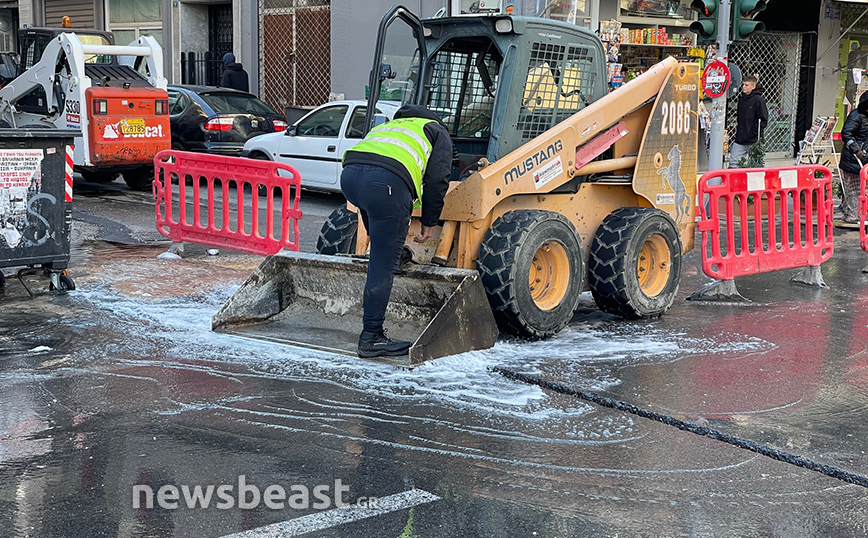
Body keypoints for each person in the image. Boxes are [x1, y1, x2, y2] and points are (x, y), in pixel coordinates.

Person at [340, 105, 454, 358]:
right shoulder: (436, 131)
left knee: (383, 243)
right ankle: (371, 338)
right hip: (387, 184)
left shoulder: (389, 126)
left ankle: (392, 250)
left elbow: (374, 162)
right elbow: (437, 180)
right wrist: (429, 221)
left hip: (350, 177)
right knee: (382, 265)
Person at [839, 91, 868, 223]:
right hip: (853, 159)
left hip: (863, 159)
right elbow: (846, 133)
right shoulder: (856, 115)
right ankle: (853, 215)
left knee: (861, 189)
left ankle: (856, 213)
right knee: (854, 189)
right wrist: (857, 151)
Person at [728, 74, 768, 168]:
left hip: (753, 139)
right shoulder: (742, 99)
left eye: (746, 85)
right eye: (743, 85)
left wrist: (753, 132)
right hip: (741, 137)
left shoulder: (758, 100)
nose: (743, 87)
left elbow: (763, 119)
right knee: (733, 162)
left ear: (753, 86)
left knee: (755, 164)